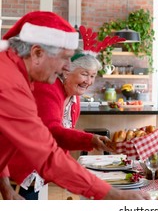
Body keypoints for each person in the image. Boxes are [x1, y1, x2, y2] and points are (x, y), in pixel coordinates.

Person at [0, 11, 149, 200]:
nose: (66, 67)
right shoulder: (10, 84)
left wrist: (5, 185)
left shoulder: (14, 73)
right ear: (37, 53)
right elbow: (48, 157)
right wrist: (112, 194)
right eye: (64, 58)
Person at [3, 30, 118, 199]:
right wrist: (90, 140)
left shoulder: (73, 97)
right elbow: (52, 132)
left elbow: (59, 146)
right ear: (66, 72)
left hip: (38, 171)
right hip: (21, 170)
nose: (89, 81)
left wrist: (76, 177)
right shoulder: (46, 88)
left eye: (93, 76)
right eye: (84, 74)